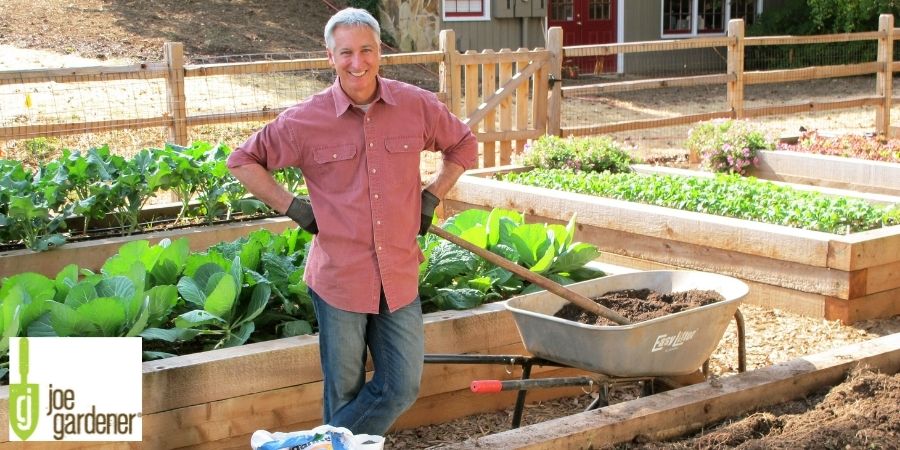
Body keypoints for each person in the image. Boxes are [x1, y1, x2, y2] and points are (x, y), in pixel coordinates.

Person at [226, 7, 478, 436]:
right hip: (339, 277)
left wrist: (432, 195)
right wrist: (294, 207)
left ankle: (315, 446)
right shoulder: (306, 119)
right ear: (330, 56)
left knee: (401, 386)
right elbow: (243, 160)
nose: (357, 62)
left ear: (381, 51)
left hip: (398, 272)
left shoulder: (415, 105)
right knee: (343, 391)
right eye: (346, 52)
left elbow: (464, 145)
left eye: (366, 50)